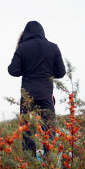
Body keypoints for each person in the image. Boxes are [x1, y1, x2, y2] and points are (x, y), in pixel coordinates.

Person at [8, 20, 66, 156]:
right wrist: (47, 72)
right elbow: (61, 72)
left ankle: (29, 164)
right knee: (49, 131)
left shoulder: (22, 48)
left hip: (28, 98)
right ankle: (49, 164)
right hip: (46, 96)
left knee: (28, 131)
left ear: (26, 33)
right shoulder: (53, 47)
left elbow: (13, 71)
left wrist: (27, 68)